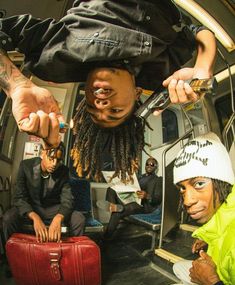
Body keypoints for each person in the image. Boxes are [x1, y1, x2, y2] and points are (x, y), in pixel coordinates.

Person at [0, 0, 217, 181]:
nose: (101, 105)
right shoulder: (161, 72)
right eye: (116, 112)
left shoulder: (56, 60)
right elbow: (199, 31)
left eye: (92, 110)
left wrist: (16, 85)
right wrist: (202, 68)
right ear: (137, 92)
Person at [160, 132, 235, 285]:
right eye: (182, 188)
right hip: (223, 274)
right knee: (178, 266)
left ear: (223, 182)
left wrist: (212, 283)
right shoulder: (224, 214)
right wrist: (209, 239)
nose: (187, 201)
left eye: (199, 183)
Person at [2, 142, 85, 243]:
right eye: (51, 158)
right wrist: (34, 216)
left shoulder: (64, 171)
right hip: (31, 208)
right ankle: (11, 255)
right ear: (42, 154)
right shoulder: (26, 166)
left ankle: (71, 254)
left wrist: (59, 217)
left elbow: (68, 200)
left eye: (58, 160)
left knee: (79, 219)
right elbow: (19, 197)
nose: (54, 164)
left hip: (52, 210)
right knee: (8, 218)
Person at [100, 157, 162, 240]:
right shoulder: (139, 177)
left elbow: (158, 198)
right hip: (132, 199)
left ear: (156, 167)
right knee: (111, 189)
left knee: (118, 212)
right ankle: (114, 206)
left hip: (143, 205)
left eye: (152, 164)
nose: (149, 166)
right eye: (147, 164)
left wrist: (147, 196)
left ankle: (105, 238)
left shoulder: (158, 180)